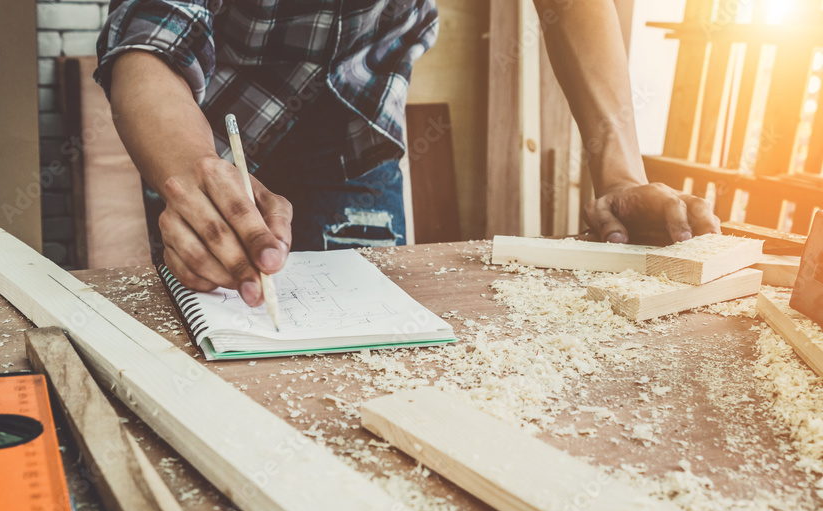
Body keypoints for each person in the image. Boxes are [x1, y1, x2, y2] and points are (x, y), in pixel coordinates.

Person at [96, 0, 720, 308]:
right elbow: (148, 35)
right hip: (204, 129)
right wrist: (189, 169)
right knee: (223, 329)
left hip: (356, 130)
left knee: (370, 349)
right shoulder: (196, 154)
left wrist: (619, 171)